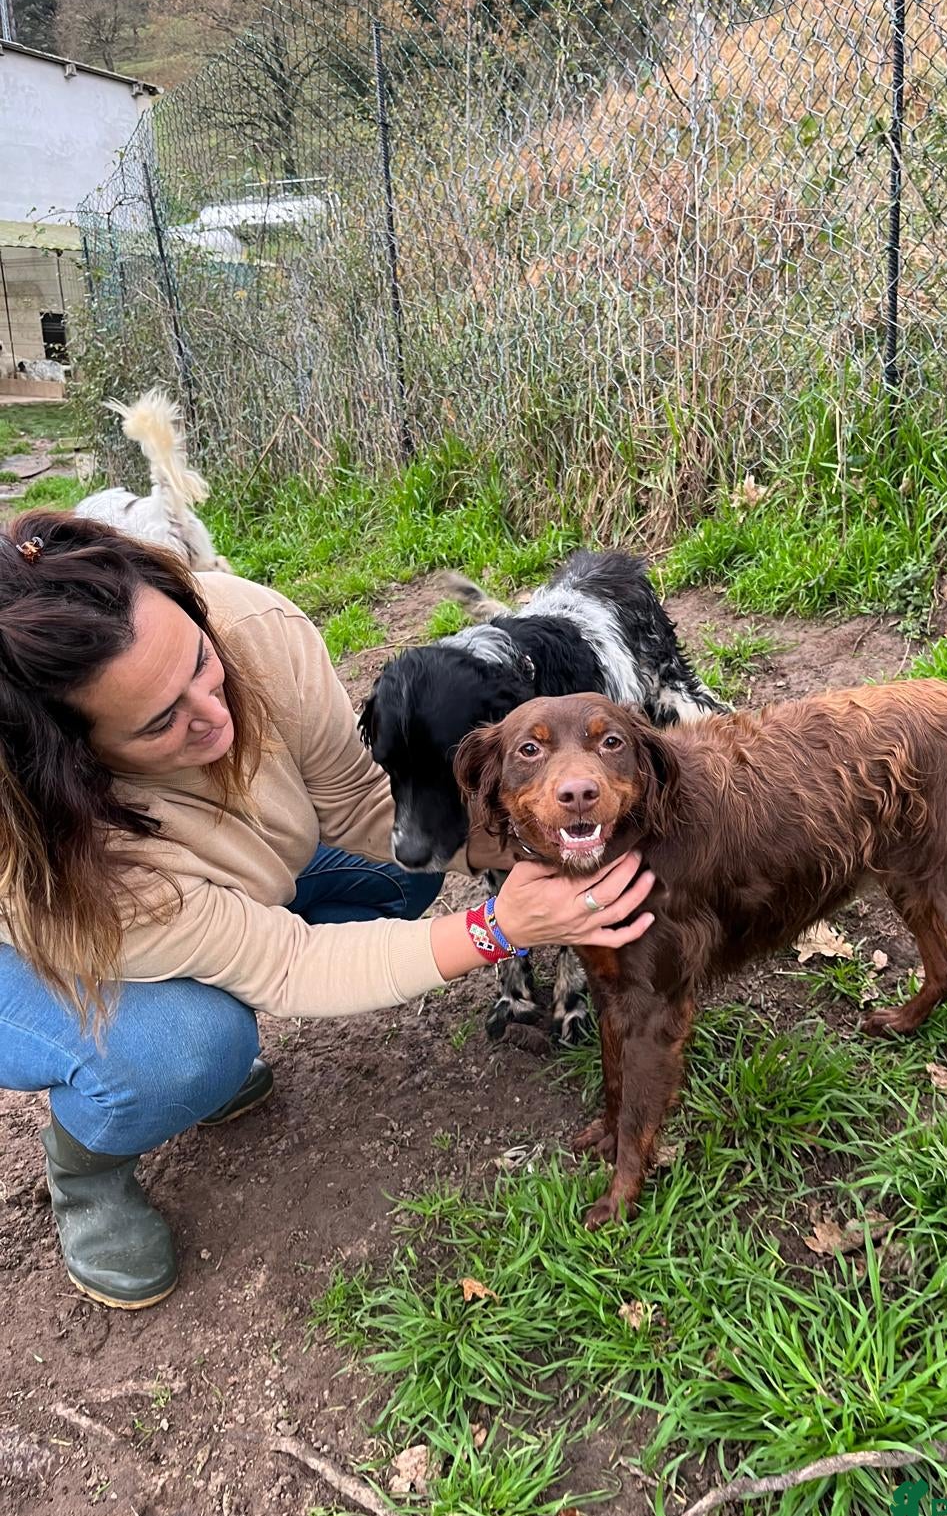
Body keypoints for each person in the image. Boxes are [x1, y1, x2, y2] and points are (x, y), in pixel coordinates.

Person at [0, 512, 654, 1311]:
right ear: (71, 757)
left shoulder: (249, 625)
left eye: (204, 665)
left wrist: (535, 845)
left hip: (216, 888)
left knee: (410, 866)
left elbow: (356, 803)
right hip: (49, 941)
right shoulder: (62, 851)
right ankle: (87, 1166)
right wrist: (496, 928)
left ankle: (191, 999)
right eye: (162, 721)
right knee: (188, 1048)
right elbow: (286, 965)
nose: (215, 712)